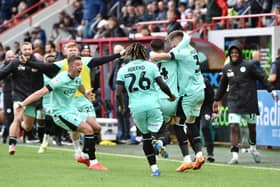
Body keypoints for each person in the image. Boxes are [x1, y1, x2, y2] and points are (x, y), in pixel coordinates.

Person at [17, 55, 108, 171]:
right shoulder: (60, 79)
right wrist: (23, 104)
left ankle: (83, 154)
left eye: (81, 65)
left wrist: (85, 93)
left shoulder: (77, 77)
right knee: (88, 130)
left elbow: (79, 86)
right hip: (60, 113)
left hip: (72, 110)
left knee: (96, 128)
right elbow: (40, 93)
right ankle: (93, 162)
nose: (80, 67)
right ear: (70, 67)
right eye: (77, 65)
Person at [213, 41, 278, 164]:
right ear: (229, 54)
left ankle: (253, 148)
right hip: (234, 102)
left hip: (249, 102)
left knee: (252, 128)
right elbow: (222, 87)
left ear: (240, 53)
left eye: (236, 52)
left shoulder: (249, 66)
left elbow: (262, 78)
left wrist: (272, 91)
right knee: (234, 126)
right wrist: (216, 100)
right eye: (232, 52)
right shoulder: (227, 68)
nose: (234, 54)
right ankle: (235, 156)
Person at [116, 42, 176, 176]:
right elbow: (162, 85)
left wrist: (121, 106)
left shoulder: (123, 70)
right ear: (144, 53)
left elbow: (118, 93)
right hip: (152, 105)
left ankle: (155, 169)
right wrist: (171, 95)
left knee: (145, 137)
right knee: (163, 130)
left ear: (130, 54)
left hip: (136, 108)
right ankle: (159, 142)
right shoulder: (151, 66)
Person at [150, 31, 206, 172]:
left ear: (179, 39)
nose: (170, 43)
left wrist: (150, 57)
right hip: (200, 90)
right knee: (191, 123)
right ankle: (199, 154)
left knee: (179, 124)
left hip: (189, 92)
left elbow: (162, 56)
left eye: (172, 40)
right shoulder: (191, 49)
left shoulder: (180, 51)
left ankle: (187, 159)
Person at [0, 42, 53, 155]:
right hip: (19, 96)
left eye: (29, 49)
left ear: (32, 50)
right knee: (17, 118)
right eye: (25, 49)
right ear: (21, 50)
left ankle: (24, 127)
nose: (27, 51)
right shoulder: (15, 63)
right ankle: (12, 144)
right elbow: (3, 73)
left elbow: (49, 71)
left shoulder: (38, 63)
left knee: (27, 127)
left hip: (33, 98)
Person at [149, 38, 179, 158]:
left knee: (155, 128)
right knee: (170, 127)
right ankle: (161, 143)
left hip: (155, 99)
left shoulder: (150, 62)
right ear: (164, 46)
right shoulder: (174, 59)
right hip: (170, 99)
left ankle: (154, 150)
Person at [109, 45, 131, 142]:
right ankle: (122, 133)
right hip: (117, 91)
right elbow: (113, 75)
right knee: (118, 113)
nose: (118, 53)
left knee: (125, 112)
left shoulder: (128, 62)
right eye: (116, 51)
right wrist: (112, 86)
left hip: (125, 92)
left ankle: (126, 134)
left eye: (119, 51)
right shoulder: (117, 62)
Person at [0, 50, 15, 143]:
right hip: (7, 93)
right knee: (8, 115)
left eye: (12, 57)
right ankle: (7, 135)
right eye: (9, 57)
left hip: (18, 93)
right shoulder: (3, 67)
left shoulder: (18, 65)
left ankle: (11, 134)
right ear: (6, 58)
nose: (11, 59)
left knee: (16, 115)